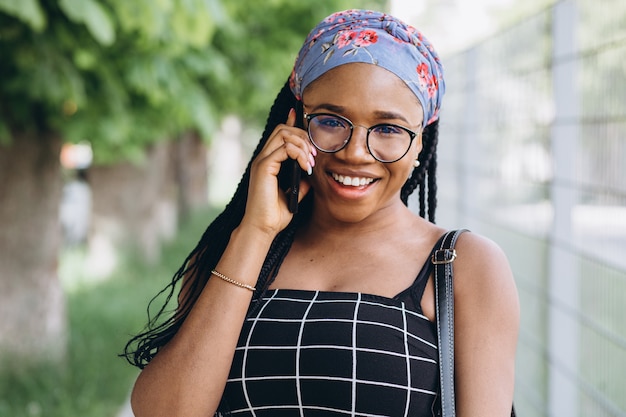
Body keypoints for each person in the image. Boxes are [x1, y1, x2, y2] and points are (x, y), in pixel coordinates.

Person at [124, 9, 519, 417]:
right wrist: (256, 233)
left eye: (387, 129)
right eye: (331, 121)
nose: (354, 152)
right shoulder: (234, 250)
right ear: (294, 121)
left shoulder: (463, 265)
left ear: (421, 142)